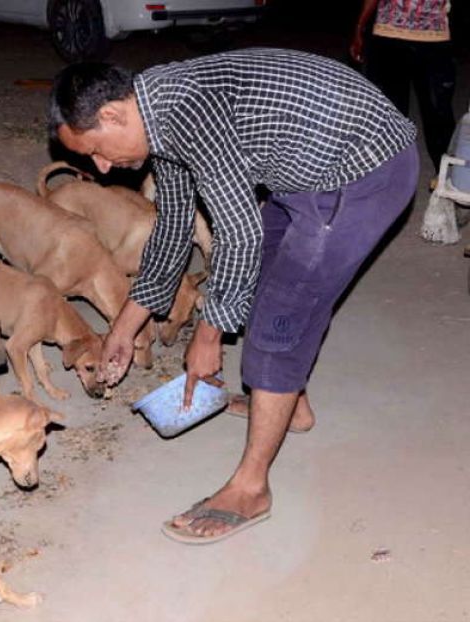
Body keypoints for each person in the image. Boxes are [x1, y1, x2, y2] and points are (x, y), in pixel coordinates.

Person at [48, 48, 419, 543]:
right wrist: (123, 326)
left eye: (95, 148)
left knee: (279, 321)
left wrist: (208, 335)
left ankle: (251, 489)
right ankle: (292, 406)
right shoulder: (156, 113)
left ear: (113, 114)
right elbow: (174, 228)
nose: (102, 166)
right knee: (265, 277)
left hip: (361, 171)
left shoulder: (188, 112)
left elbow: (236, 237)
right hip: (301, 173)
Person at [351, 0, 455, 176]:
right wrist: (359, 27)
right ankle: (387, 183)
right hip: (387, 37)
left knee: (439, 116)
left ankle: (448, 180)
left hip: (434, 37)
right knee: (388, 116)